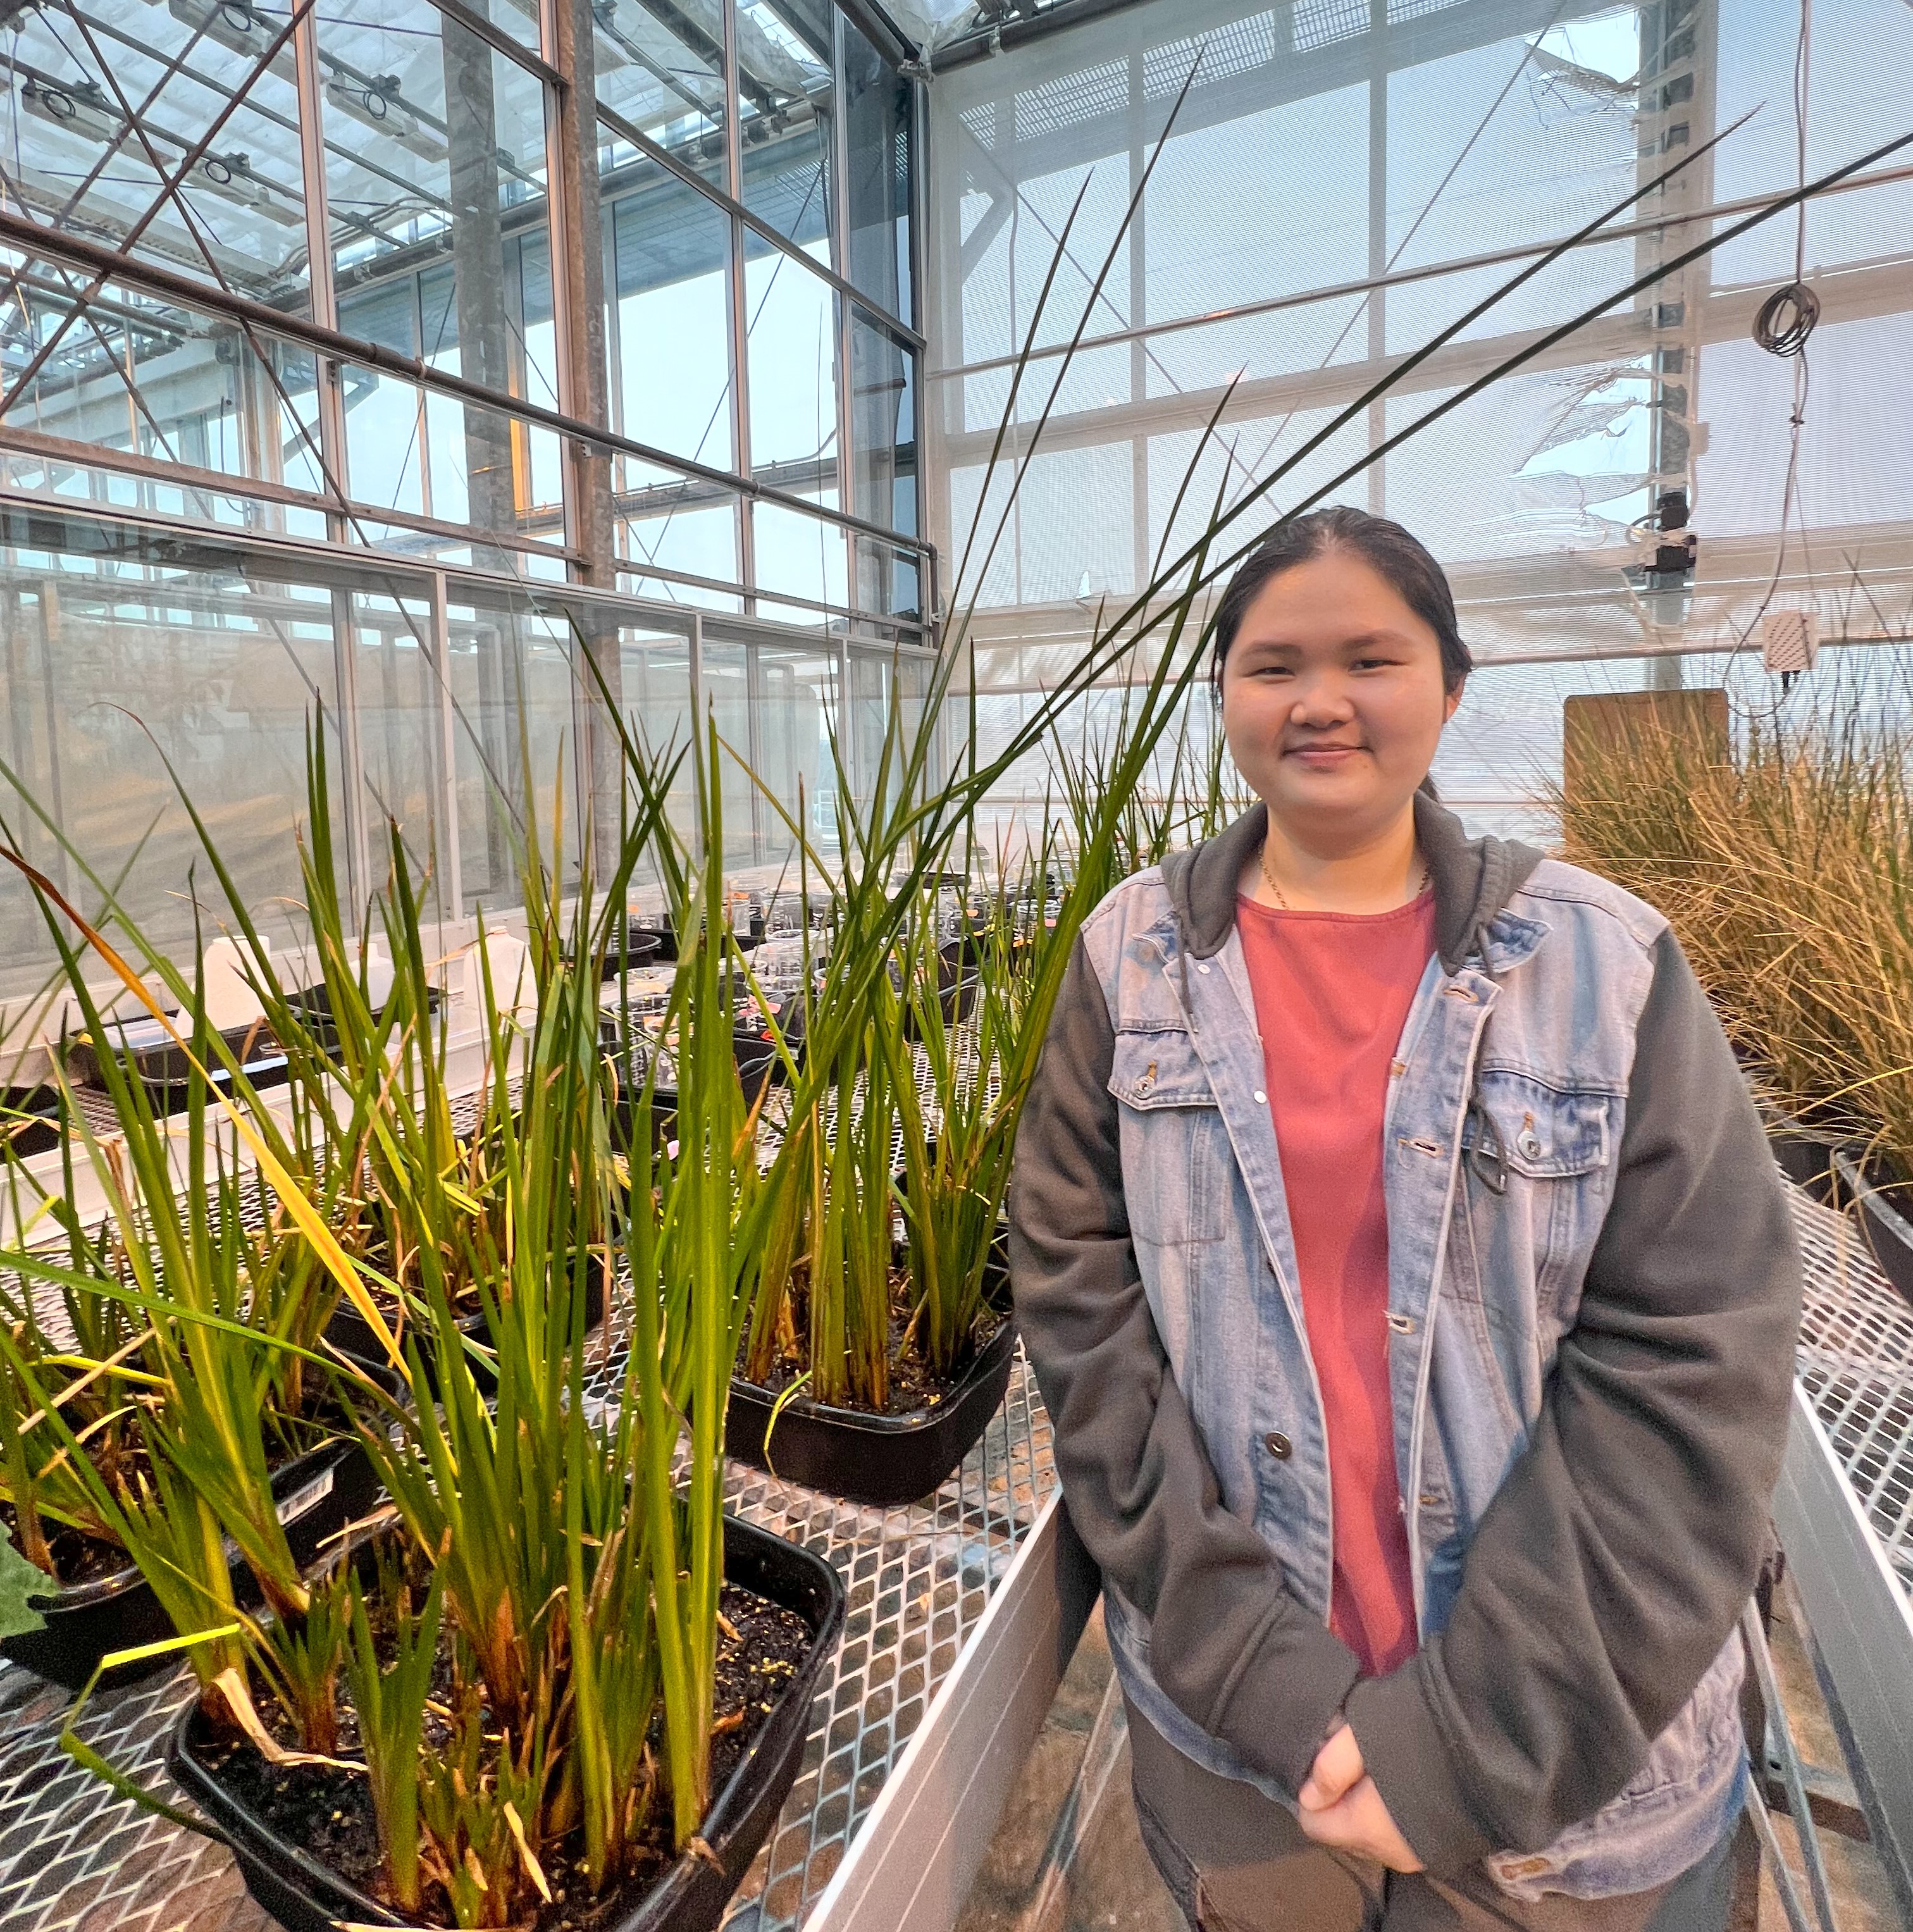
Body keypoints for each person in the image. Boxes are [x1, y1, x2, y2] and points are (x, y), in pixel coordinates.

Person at [1008, 507, 1800, 1931]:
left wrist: (1462, 1741)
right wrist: (1262, 1678)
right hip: (1248, 1752)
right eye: (1272, 666)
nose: (1319, 701)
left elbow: (1695, 1364)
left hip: (1565, 1782)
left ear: (1450, 682)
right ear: (1225, 695)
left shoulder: (1599, 965)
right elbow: (1084, 1318)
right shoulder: (1131, 960)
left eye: (1371, 657)